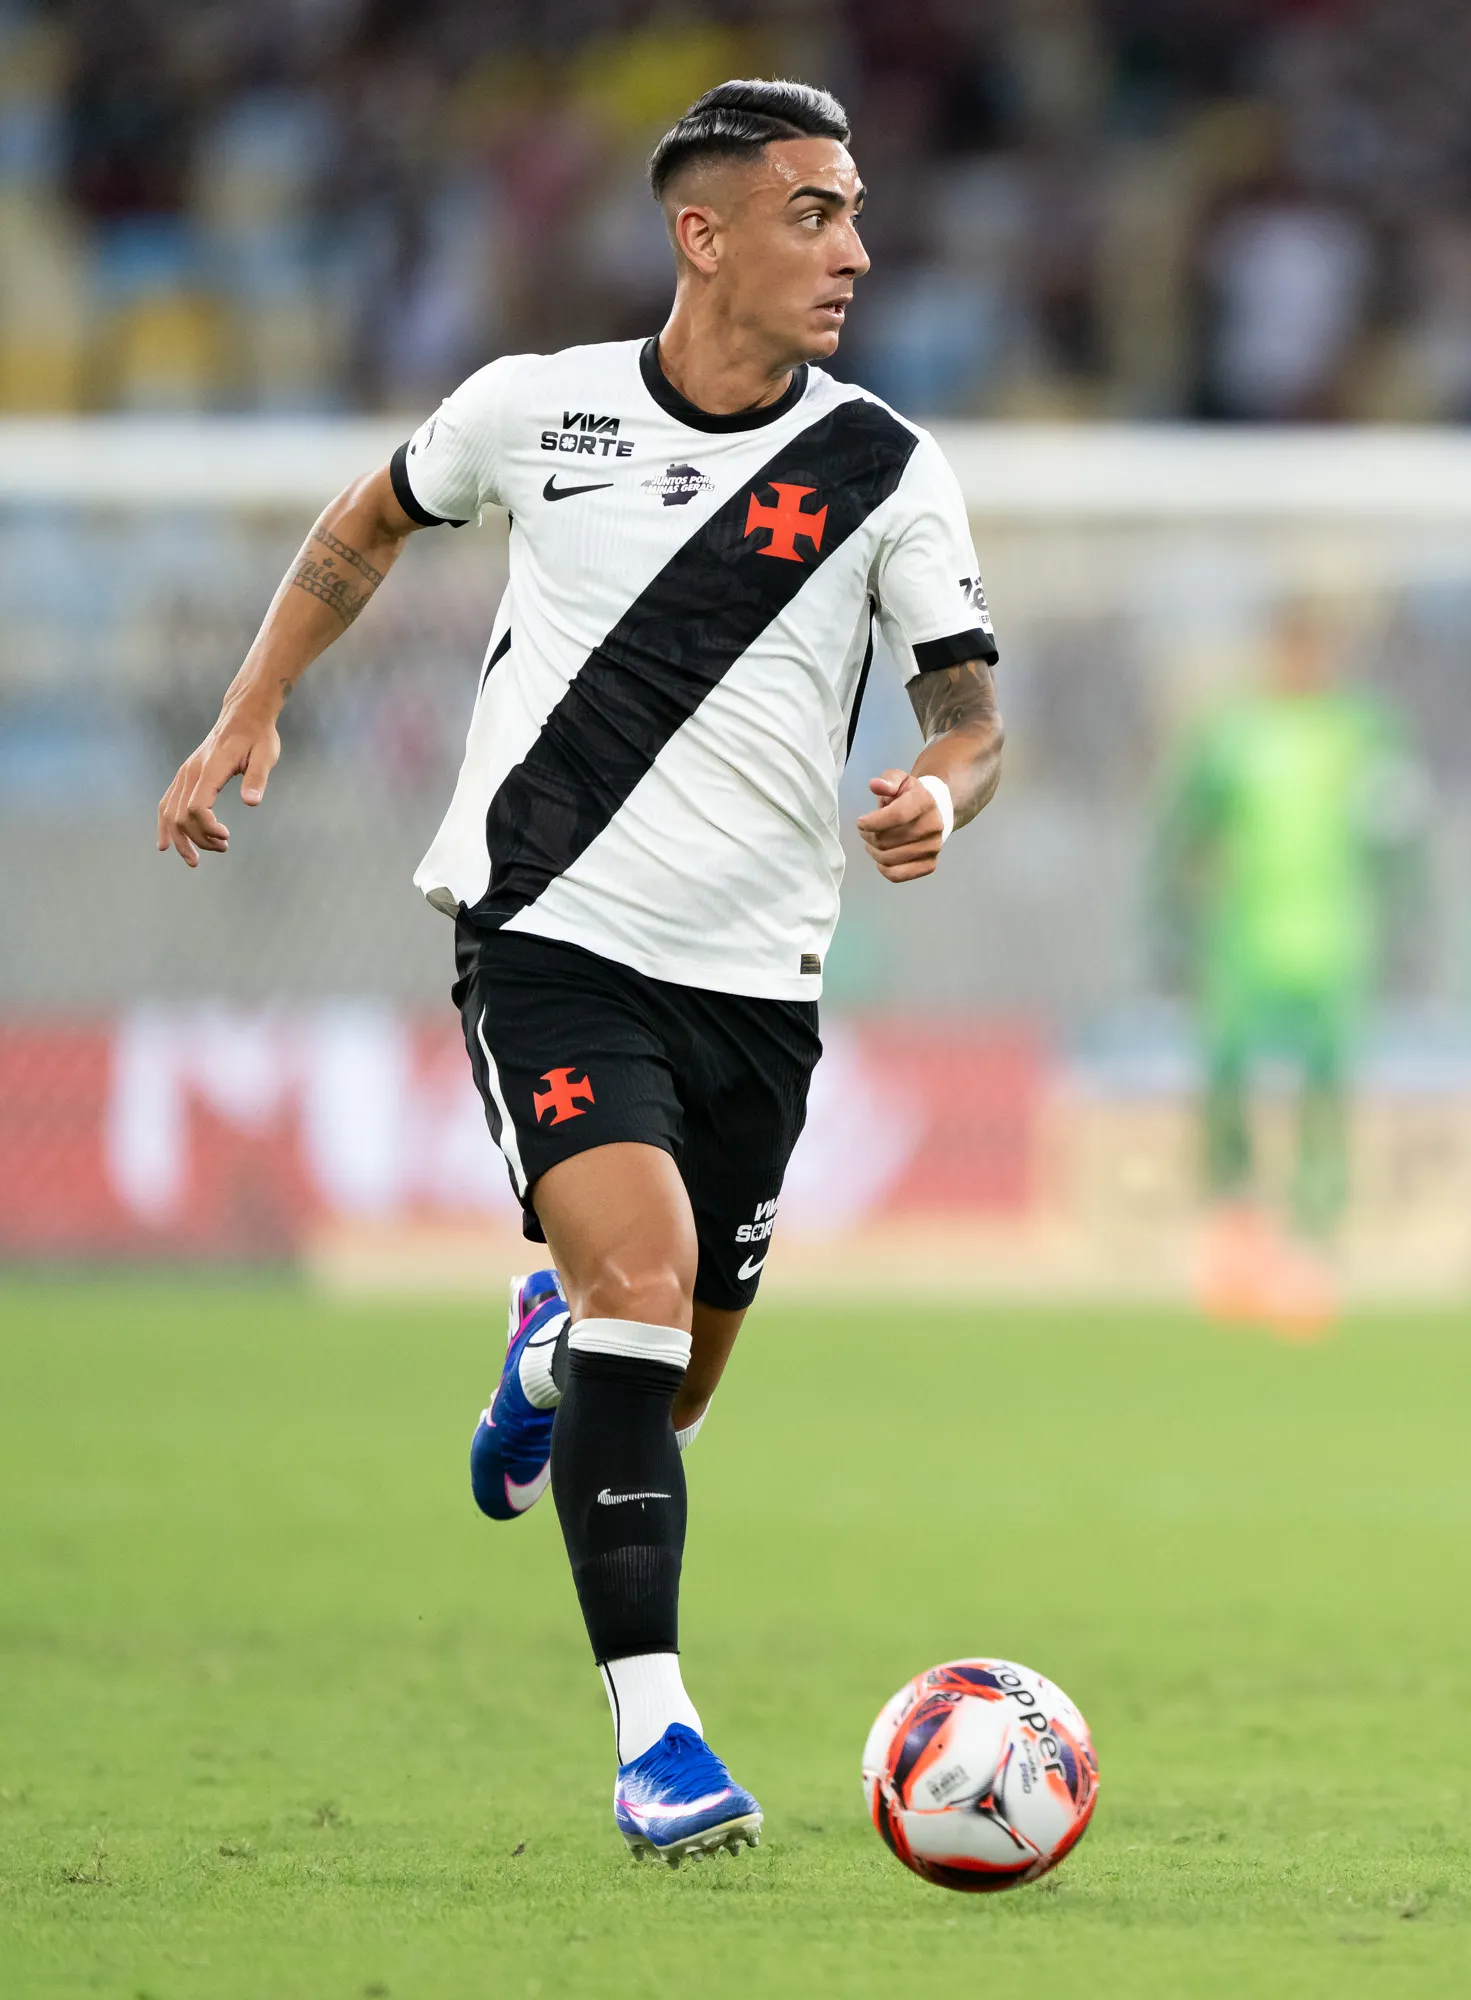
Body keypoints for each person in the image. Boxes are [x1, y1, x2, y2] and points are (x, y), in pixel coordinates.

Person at [152, 81, 1003, 1866]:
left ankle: (546, 1363)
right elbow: (366, 522)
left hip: (758, 983)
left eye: (855, 213)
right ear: (704, 236)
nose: (853, 248)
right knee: (636, 1271)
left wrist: (938, 790)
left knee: (667, 1378)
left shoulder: (883, 468)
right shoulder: (533, 412)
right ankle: (658, 1740)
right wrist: (252, 703)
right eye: (813, 213)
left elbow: (970, 712)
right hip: (549, 937)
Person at [1155, 599, 1421, 1337]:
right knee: (1229, 1080)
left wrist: (1410, 923)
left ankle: (1311, 1248)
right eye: (1291, 650)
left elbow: (1401, 832)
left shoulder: (1364, 732)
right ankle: (1234, 1231)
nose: (1303, 665)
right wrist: (1173, 926)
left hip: (1335, 942)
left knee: (1325, 1094)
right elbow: (1185, 829)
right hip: (1244, 941)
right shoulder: (1232, 733)